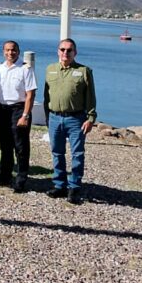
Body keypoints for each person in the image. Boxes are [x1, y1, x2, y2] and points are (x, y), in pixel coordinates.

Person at [43, 38, 97, 205]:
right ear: (58, 51)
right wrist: (47, 117)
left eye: (69, 50)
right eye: (62, 49)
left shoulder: (84, 71)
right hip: (54, 117)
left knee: (77, 154)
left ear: (75, 52)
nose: (65, 53)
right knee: (57, 153)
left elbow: (91, 97)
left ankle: (74, 187)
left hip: (76, 119)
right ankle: (60, 185)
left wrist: (90, 118)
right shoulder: (50, 69)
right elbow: (46, 96)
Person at [0, 40, 37, 193]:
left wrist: (25, 115)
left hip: (19, 109)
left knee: (21, 146)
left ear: (18, 51)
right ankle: (5, 177)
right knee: (5, 145)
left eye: (14, 50)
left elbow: (30, 94)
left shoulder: (25, 69)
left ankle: (21, 180)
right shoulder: (0, 68)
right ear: (3, 51)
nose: (11, 53)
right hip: (3, 109)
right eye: (8, 50)